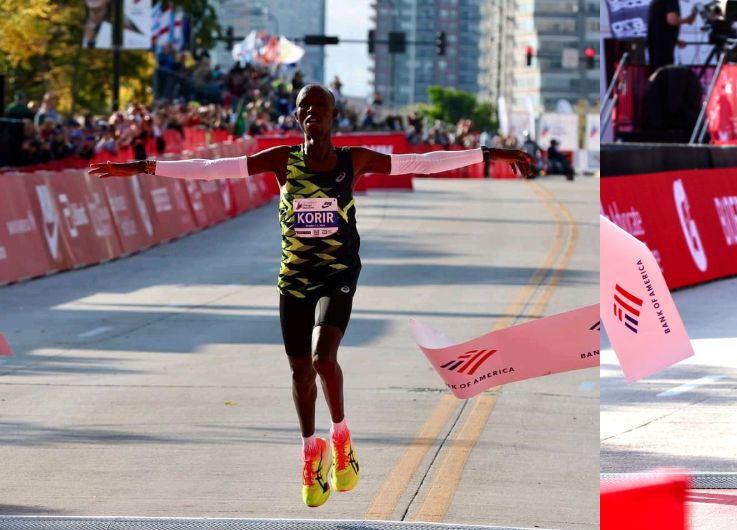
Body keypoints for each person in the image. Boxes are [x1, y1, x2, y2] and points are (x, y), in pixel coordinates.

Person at [88, 84, 535, 508]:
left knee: (324, 360)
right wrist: (142, 167)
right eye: (303, 107)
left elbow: (422, 162)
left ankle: (341, 438)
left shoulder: (353, 161)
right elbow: (210, 170)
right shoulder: (282, 160)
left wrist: (491, 153)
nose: (310, 113)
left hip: (338, 273)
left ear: (333, 116)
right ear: (298, 116)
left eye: (318, 107)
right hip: (295, 278)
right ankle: (311, 451)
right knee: (300, 370)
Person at [646, 0, 697, 74]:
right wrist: (688, 20)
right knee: (664, 72)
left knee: (656, 73)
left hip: (656, 43)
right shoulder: (671, 1)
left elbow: (660, 24)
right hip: (663, 46)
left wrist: (676, 40)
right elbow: (672, 20)